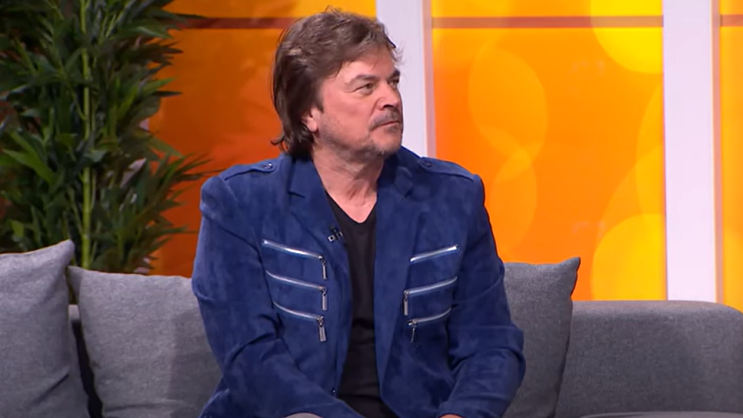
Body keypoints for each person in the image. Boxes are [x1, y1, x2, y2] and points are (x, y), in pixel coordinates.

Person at [191, 8, 525, 418]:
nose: (391, 99)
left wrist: (461, 414)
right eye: (366, 87)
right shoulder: (239, 204)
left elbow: (491, 344)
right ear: (309, 113)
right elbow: (250, 357)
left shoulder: (454, 197)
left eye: (392, 82)